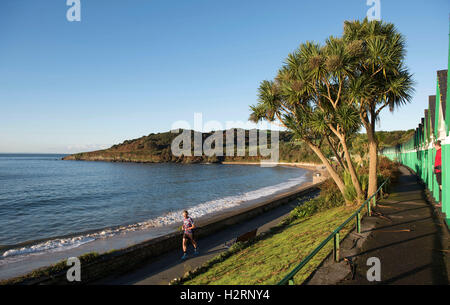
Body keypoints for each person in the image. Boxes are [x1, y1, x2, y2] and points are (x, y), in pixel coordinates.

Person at [434, 140, 442, 207]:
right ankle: (441, 202)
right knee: (440, 185)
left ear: (437, 145)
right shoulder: (438, 151)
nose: (434, 147)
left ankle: (441, 202)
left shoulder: (441, 151)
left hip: (439, 171)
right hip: (437, 170)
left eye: (435, 146)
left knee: (441, 186)